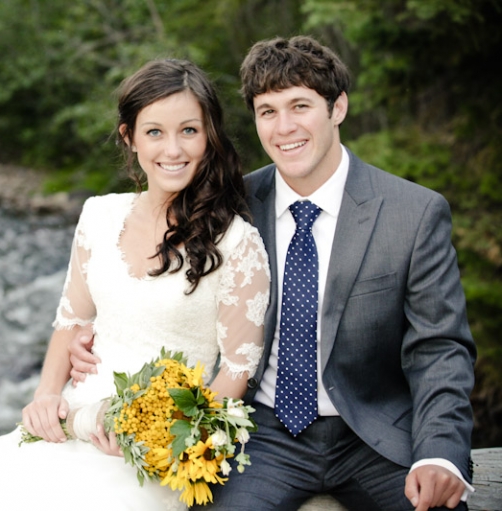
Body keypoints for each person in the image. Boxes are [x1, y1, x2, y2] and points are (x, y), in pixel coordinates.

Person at [70, 36, 476, 511]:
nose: (284, 128)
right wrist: (94, 331)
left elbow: (440, 348)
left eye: (299, 106)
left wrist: (440, 455)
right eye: (267, 111)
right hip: (261, 436)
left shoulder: (413, 213)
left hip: (377, 436)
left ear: (337, 107)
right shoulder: (226, 206)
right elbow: (159, 281)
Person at [0, 59, 270, 511]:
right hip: (72, 420)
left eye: (189, 130)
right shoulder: (100, 216)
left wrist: (170, 440)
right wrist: (46, 397)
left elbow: (235, 374)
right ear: (129, 137)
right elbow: (71, 321)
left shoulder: (237, 242)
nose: (173, 148)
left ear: (210, 136)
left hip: (152, 452)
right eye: (154, 132)